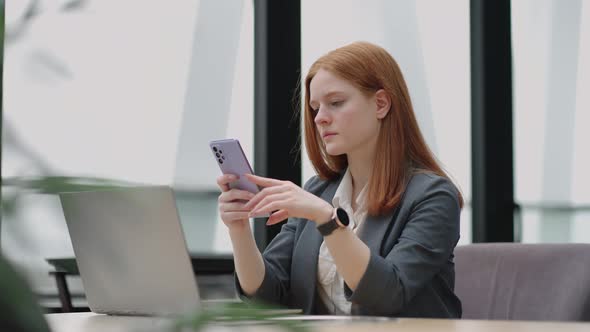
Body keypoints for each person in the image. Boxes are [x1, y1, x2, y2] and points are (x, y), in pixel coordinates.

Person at [216, 41, 463, 318]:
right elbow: (267, 297)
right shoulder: (318, 191)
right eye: (315, 108)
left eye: (335, 103)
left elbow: (389, 294)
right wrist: (238, 230)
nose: (320, 118)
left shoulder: (433, 196)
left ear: (381, 104)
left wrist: (327, 220)